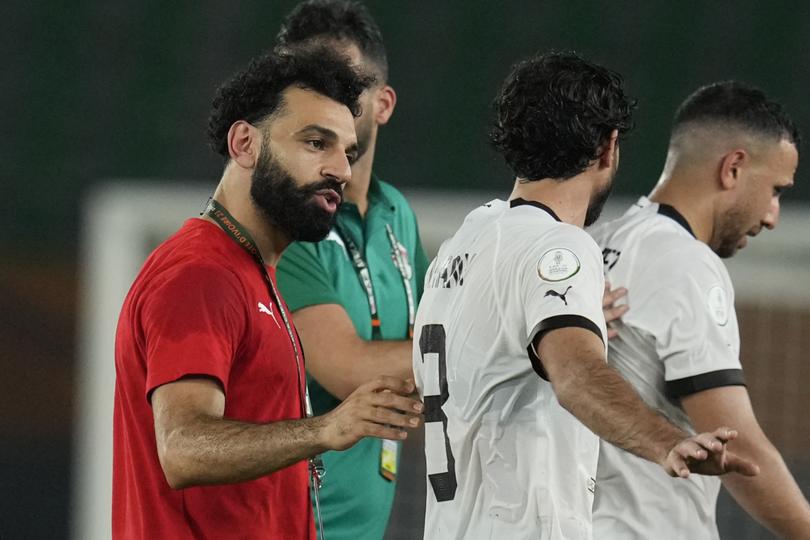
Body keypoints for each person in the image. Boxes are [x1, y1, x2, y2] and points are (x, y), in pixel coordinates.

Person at [412, 52, 759, 540]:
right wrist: (666, 443)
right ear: (608, 146)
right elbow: (577, 376)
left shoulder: (462, 243)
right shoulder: (561, 246)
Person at [112, 48, 423, 540]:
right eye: (316, 143)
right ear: (244, 143)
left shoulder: (257, 273)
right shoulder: (200, 273)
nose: (340, 170)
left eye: (347, 151)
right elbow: (183, 446)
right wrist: (325, 429)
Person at [590, 81, 810, 539]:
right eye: (775, 189)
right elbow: (736, 444)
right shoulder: (685, 263)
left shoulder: (597, 244)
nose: (772, 216)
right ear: (733, 167)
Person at [274, 2, 430, 539]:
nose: (321, 104)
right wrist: (515, 339)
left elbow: (432, 338)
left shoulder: (396, 217)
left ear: (383, 103)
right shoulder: (289, 224)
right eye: (303, 85)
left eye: (341, 84)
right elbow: (347, 368)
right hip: (292, 525)